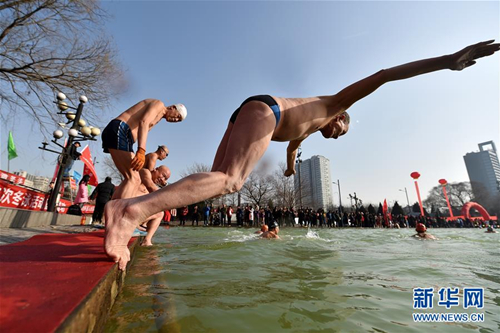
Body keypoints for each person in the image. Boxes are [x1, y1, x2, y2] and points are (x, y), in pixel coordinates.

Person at [104, 40, 500, 269]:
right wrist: (447, 62)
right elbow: (384, 76)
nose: (338, 135)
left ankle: (132, 205)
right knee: (232, 180)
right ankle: (132, 213)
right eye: (341, 129)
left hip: (250, 112)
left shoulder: (308, 127)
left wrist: (292, 168)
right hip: (266, 112)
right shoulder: (334, 103)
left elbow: (293, 147)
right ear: (341, 117)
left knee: (216, 182)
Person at [101, 99, 186, 200]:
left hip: (125, 138)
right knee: (134, 178)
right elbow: (144, 122)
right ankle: (119, 212)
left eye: (178, 120)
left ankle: (112, 209)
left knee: (131, 178)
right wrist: (141, 150)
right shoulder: (159, 105)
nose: (176, 120)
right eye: (178, 116)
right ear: (173, 107)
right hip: (121, 129)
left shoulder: (158, 118)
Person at [136, 165, 171, 246]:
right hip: (125, 211)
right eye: (163, 175)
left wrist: (164, 184)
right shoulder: (145, 172)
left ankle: (146, 240)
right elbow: (152, 187)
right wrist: (170, 203)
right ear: (156, 169)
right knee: (160, 213)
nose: (162, 179)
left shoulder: (152, 183)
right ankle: (146, 240)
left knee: (159, 212)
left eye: (165, 179)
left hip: (133, 212)